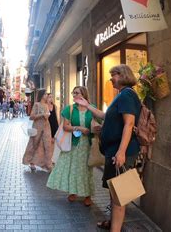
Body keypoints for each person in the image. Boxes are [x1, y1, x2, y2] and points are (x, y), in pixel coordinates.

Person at [74, 64, 141, 232]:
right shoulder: (121, 95)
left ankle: (115, 229)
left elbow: (129, 123)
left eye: (114, 74)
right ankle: (112, 223)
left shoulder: (126, 95)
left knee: (119, 196)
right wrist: (87, 105)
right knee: (114, 192)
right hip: (114, 151)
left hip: (120, 152)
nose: (111, 78)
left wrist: (121, 152)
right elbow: (105, 117)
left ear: (123, 75)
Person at [46, 86, 94, 207]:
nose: (74, 95)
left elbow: (99, 122)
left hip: (87, 144)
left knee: (86, 169)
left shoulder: (92, 108)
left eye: (77, 93)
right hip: (74, 143)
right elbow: (65, 127)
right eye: (73, 93)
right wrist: (79, 128)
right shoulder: (70, 109)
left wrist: (95, 129)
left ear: (84, 94)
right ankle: (73, 192)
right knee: (74, 168)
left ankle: (88, 195)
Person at [22, 89, 53, 171]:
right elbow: (31, 117)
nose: (47, 95)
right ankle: (31, 161)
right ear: (42, 95)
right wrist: (42, 114)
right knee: (34, 144)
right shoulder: (36, 104)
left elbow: (51, 113)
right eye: (46, 94)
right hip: (37, 126)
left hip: (46, 126)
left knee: (47, 145)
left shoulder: (47, 105)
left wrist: (50, 104)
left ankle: (48, 164)